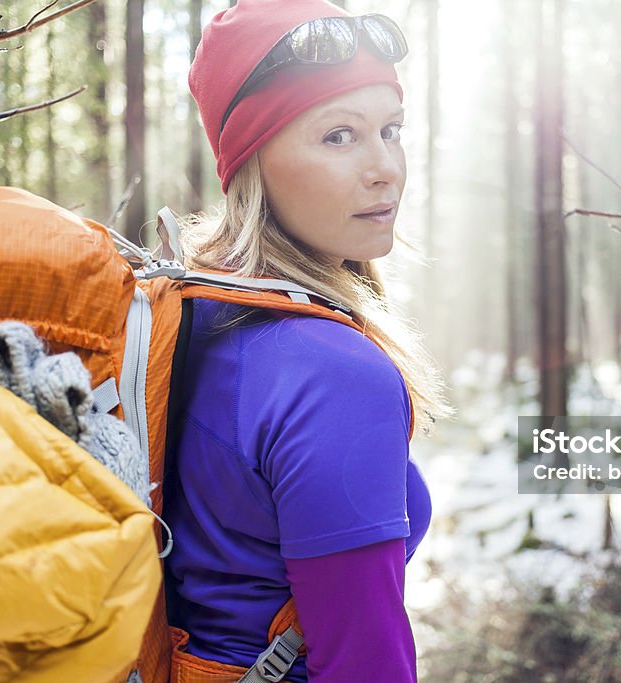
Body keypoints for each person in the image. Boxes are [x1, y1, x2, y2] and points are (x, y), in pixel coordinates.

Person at [163, 1, 451, 681]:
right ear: (251, 163)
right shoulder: (334, 375)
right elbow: (364, 663)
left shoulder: (192, 307)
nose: (386, 168)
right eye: (338, 136)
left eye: (391, 129)